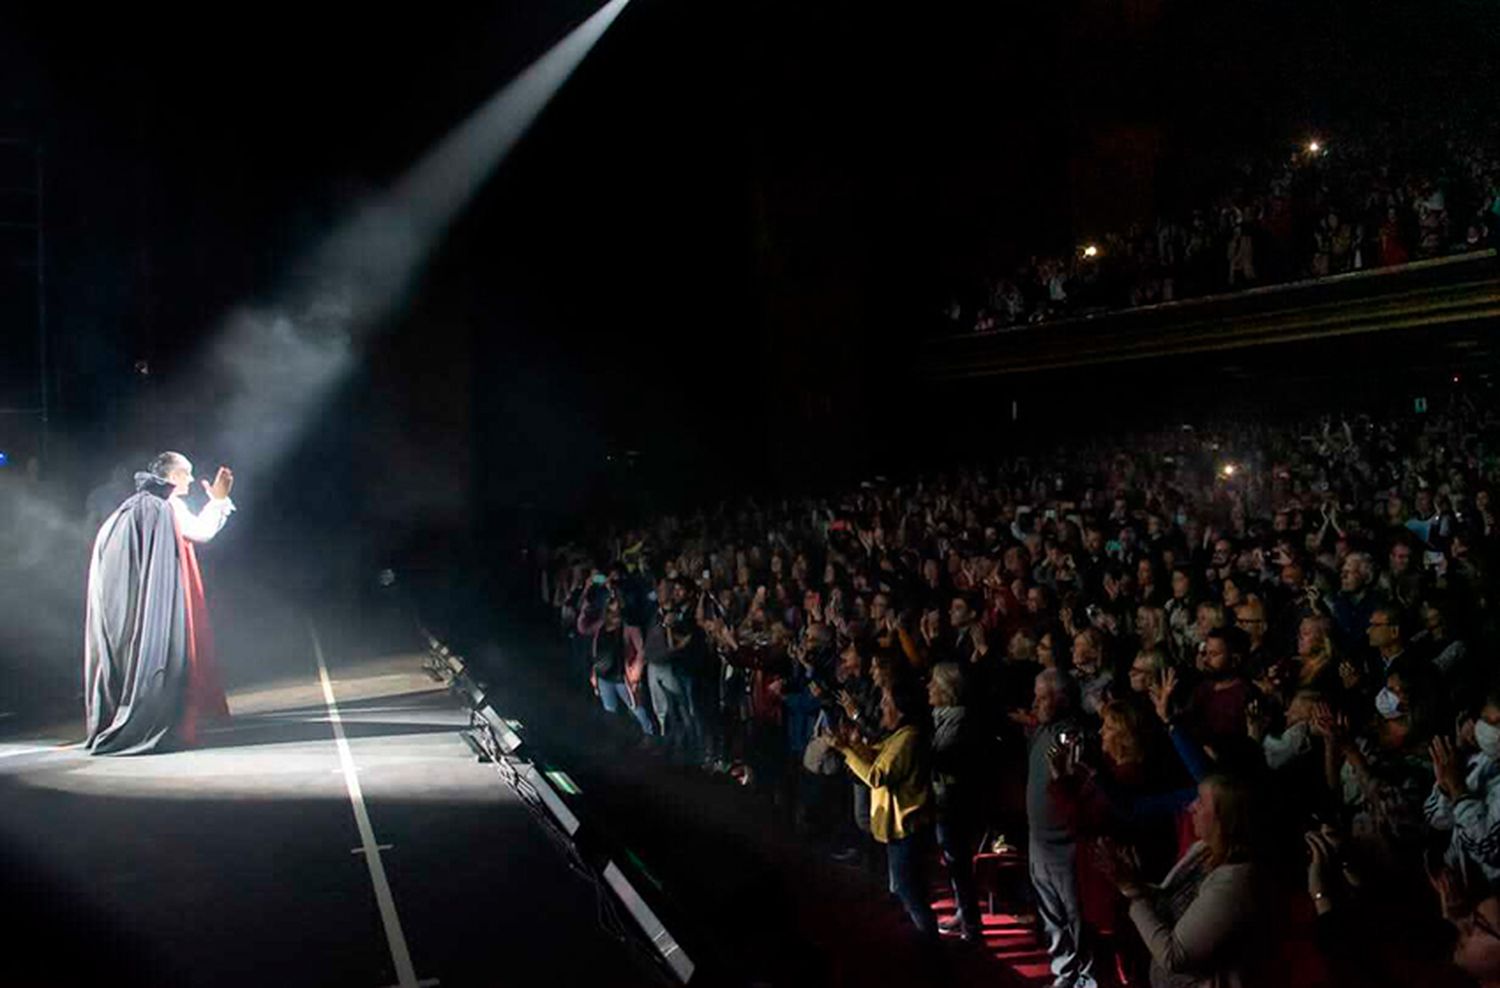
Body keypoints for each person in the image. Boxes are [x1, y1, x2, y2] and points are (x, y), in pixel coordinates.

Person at [83, 452, 235, 755]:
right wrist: (218, 501)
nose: (191, 479)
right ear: (173, 476)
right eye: (186, 473)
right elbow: (200, 532)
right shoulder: (166, 506)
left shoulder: (137, 505)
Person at [1101, 774, 1265, 988]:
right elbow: (1168, 899)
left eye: (1201, 802)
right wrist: (1133, 880)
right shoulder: (1203, 850)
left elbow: (1174, 957)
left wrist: (1132, 890)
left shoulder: (1234, 884)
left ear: (1225, 819)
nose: (1191, 807)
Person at [831, 684, 937, 938]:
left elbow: (877, 775)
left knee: (910, 894)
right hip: (898, 828)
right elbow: (877, 757)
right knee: (904, 891)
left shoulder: (908, 738)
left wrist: (846, 750)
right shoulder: (898, 736)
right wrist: (855, 746)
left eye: (887, 703)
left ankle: (929, 950)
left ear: (900, 710)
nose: (881, 708)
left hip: (907, 830)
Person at [1028, 667, 1099, 988]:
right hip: (1039, 840)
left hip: (1066, 843)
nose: (1035, 702)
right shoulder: (1041, 731)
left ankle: (1086, 976)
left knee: (1076, 916)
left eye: (1042, 697)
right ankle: (1064, 972)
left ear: (1062, 698)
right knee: (1051, 915)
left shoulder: (1073, 735)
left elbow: (1075, 785)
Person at [928, 662, 983, 942]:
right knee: (952, 860)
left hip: (956, 801)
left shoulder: (960, 720)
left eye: (934, 684)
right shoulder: (941, 716)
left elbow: (942, 757)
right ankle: (964, 910)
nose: (928, 688)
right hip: (944, 797)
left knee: (958, 860)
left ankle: (972, 924)